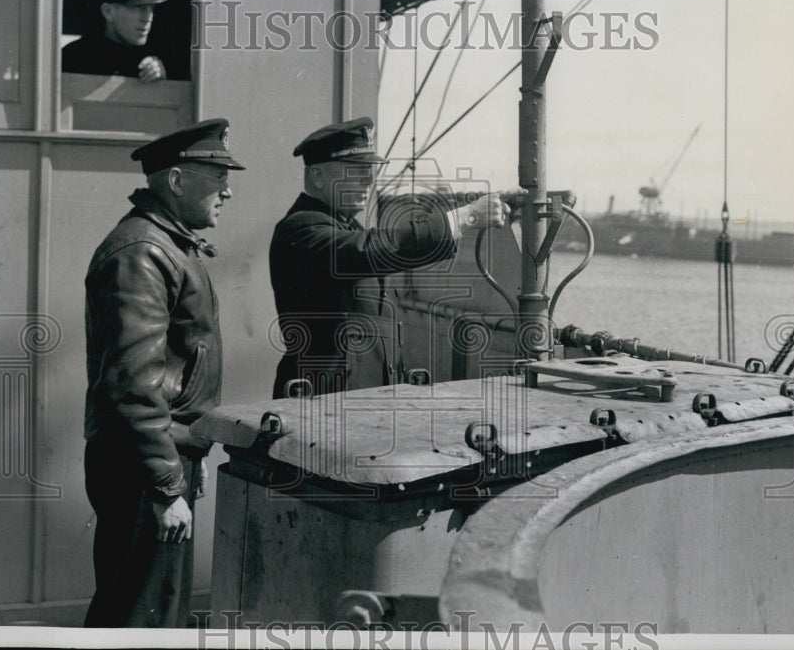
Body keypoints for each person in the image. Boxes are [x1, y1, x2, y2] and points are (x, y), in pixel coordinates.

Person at [83, 118, 244, 627]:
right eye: (217, 178)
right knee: (139, 617)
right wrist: (164, 486)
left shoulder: (167, 245)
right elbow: (134, 386)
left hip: (157, 459)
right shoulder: (144, 252)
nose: (228, 191)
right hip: (143, 466)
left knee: (151, 610)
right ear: (176, 181)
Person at [269, 116, 509, 398]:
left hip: (362, 400)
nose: (369, 180)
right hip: (320, 404)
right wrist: (464, 217)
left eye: (369, 169)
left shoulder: (348, 229)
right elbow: (374, 248)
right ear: (319, 176)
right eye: (355, 169)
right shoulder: (300, 229)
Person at [62, 0, 169, 82]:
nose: (148, 17)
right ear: (108, 12)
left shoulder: (158, 59)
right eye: (138, 7)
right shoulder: (75, 58)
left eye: (151, 7)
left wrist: (162, 82)